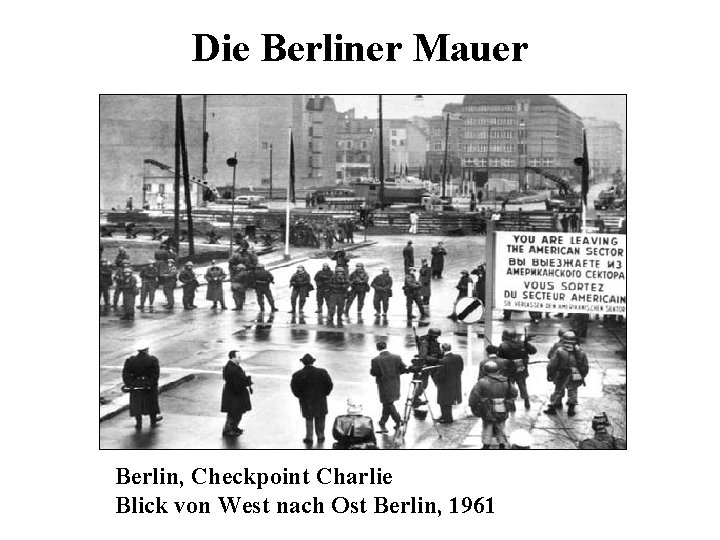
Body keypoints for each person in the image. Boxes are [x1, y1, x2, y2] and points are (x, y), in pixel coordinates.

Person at [469, 360, 517, 449]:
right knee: (501, 426)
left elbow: (474, 396)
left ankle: (486, 445)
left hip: (487, 408)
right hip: (503, 407)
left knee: (487, 427)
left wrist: (473, 407)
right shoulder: (506, 381)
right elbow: (514, 393)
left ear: (485, 371)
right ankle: (502, 444)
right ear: (498, 370)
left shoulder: (482, 382)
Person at [291, 353, 334, 444]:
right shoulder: (322, 372)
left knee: (309, 418)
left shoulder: (297, 375)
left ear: (303, 363)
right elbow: (329, 384)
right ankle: (320, 435)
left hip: (306, 400)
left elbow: (294, 388)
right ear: (312, 362)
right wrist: (325, 393)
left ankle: (309, 437)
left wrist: (300, 396)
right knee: (321, 417)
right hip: (320, 399)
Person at [544, 331, 589, 417]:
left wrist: (550, 374)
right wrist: (582, 375)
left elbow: (552, 364)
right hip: (576, 373)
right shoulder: (580, 351)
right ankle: (571, 409)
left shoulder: (559, 351)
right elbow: (585, 365)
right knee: (573, 390)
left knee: (558, 390)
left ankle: (554, 406)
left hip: (562, 372)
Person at [370, 341, 408, 433]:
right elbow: (403, 369)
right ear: (386, 346)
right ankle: (383, 420)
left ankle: (398, 420)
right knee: (387, 402)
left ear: (378, 348)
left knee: (388, 403)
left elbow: (374, 373)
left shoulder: (376, 360)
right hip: (395, 383)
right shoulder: (396, 357)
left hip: (383, 384)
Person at [497, 329, 537, 410]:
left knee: (510, 387)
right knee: (522, 385)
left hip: (509, 370)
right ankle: (526, 401)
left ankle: (512, 404)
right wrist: (527, 344)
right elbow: (534, 351)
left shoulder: (503, 345)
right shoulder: (523, 344)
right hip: (521, 369)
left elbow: (499, 359)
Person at [122, 346, 161, 429]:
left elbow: (125, 374)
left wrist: (131, 384)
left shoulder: (131, 360)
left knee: (137, 404)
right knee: (152, 403)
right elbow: (155, 375)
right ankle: (153, 420)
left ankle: (138, 423)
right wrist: (150, 384)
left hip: (136, 384)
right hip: (148, 386)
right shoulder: (153, 360)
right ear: (146, 350)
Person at [221, 350, 253, 437]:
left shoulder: (234, 366)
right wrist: (247, 381)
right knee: (233, 413)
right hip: (234, 395)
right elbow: (237, 382)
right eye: (238, 357)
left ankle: (234, 427)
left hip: (236, 394)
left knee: (238, 412)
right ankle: (228, 430)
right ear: (232, 357)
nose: (240, 359)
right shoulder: (231, 369)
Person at [431, 343, 464, 423]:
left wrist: (434, 376)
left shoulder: (442, 361)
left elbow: (440, 375)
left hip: (445, 384)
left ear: (442, 350)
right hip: (456, 382)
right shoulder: (458, 357)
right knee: (450, 400)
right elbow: (461, 368)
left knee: (444, 402)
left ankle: (447, 419)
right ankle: (445, 416)